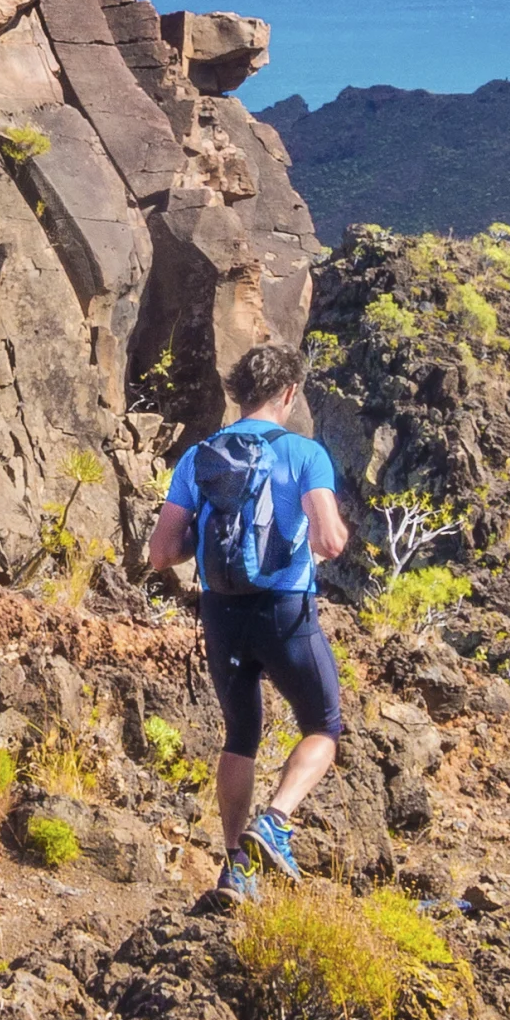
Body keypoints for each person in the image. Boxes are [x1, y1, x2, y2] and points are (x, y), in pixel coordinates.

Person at [144, 341, 350, 901]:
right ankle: (276, 821)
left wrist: (210, 540)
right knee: (324, 726)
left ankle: (236, 868)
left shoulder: (198, 457)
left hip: (221, 614)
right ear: (288, 393)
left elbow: (162, 553)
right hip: (285, 613)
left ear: (238, 393)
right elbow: (329, 540)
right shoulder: (305, 454)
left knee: (241, 735)